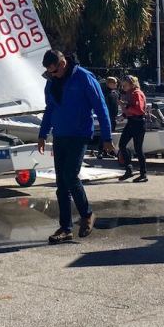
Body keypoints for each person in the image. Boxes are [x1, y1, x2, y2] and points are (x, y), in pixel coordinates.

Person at [37, 50, 114, 244]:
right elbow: (50, 108)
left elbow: (101, 107)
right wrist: (42, 134)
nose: (51, 75)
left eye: (53, 71)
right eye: (49, 72)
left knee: (70, 176)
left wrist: (106, 136)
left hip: (79, 135)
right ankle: (65, 228)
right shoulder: (52, 80)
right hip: (60, 135)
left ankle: (87, 214)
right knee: (61, 184)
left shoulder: (84, 78)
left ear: (62, 64)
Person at [117, 75, 148, 182]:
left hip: (138, 123)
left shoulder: (137, 93)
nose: (123, 86)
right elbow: (132, 109)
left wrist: (124, 106)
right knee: (122, 145)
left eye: (124, 84)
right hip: (132, 122)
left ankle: (143, 174)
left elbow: (139, 110)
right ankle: (129, 169)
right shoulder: (130, 93)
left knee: (138, 149)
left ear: (131, 84)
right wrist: (124, 115)